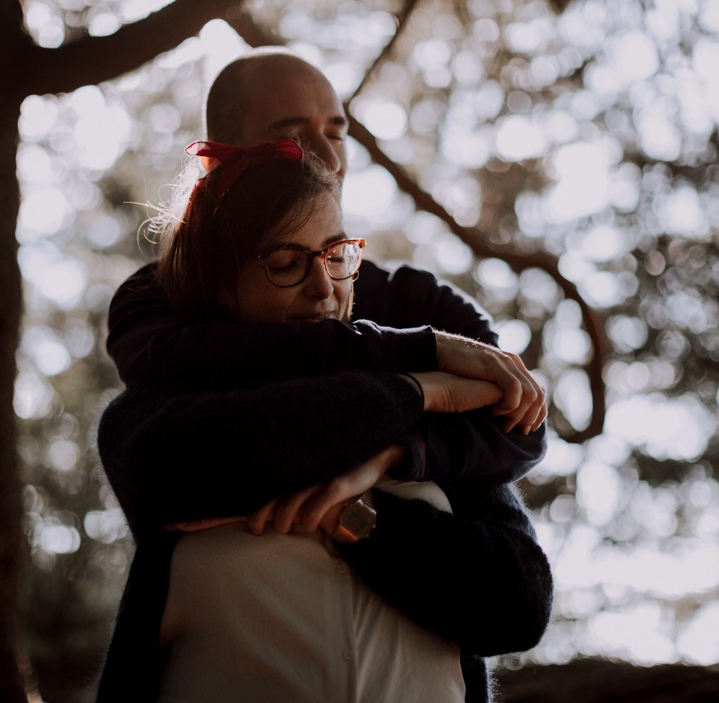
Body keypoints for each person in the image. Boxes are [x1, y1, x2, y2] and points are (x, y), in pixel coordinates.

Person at [98, 48, 552, 702]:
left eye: (336, 129)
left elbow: (518, 420)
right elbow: (198, 366)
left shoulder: (418, 300)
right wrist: (420, 379)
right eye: (295, 132)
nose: (330, 155)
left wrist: (383, 466)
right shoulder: (165, 299)